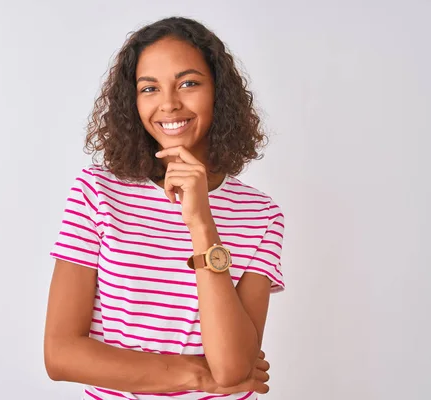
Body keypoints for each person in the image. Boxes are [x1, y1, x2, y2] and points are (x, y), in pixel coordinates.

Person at [44, 16, 286, 400]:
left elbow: (232, 366)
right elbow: (61, 355)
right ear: (133, 101)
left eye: (189, 83)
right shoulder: (98, 192)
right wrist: (196, 374)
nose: (169, 103)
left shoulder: (261, 214)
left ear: (218, 92)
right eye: (149, 88)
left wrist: (202, 222)